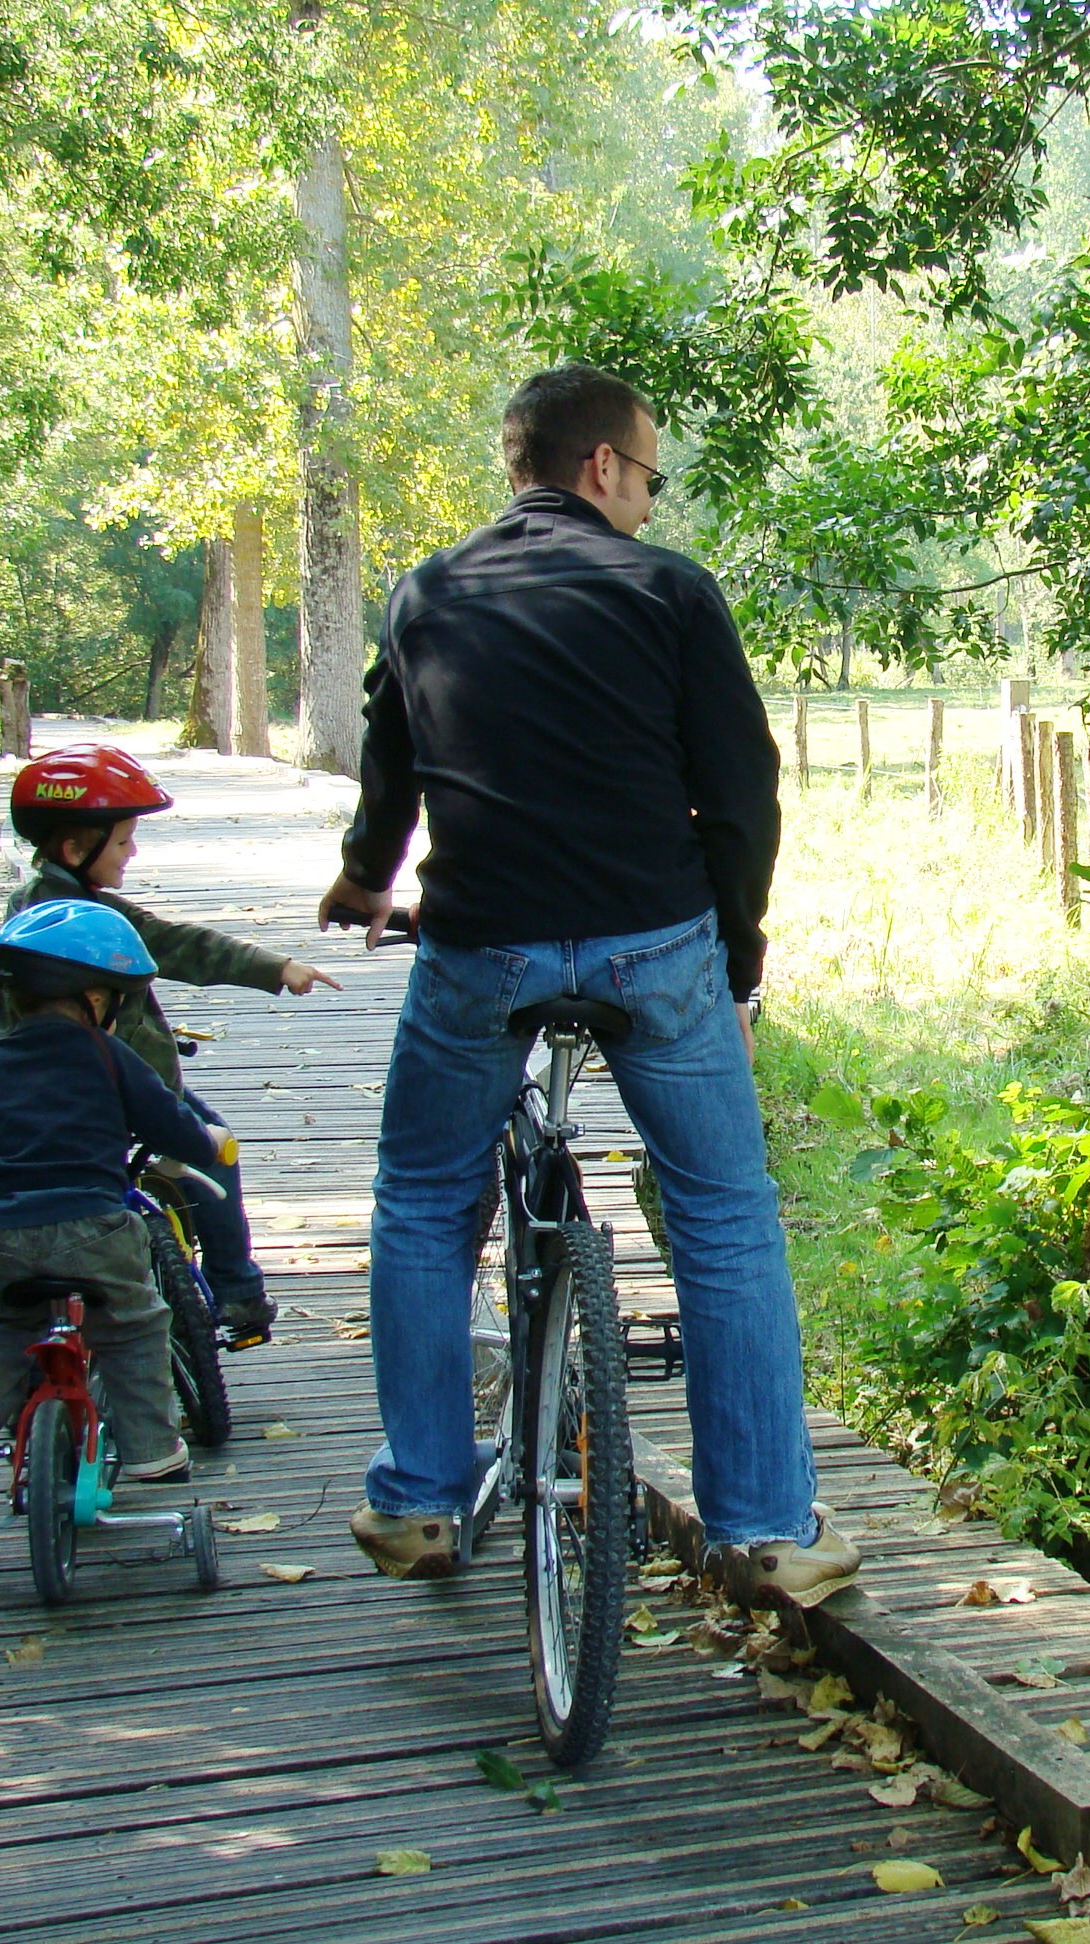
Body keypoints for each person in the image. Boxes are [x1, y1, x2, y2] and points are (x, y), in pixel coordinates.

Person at [319, 361, 858, 1605]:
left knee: (424, 1202)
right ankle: (768, 1529)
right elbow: (742, 794)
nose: (651, 504)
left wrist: (363, 879)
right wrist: (737, 963)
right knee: (724, 1211)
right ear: (602, 465)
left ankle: (420, 1500)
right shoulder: (669, 591)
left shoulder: (426, 592)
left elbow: (393, 770)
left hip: (480, 944)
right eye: (650, 478)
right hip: (655, 944)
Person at [0, 743, 339, 1348]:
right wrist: (276, 967)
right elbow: (180, 946)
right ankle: (237, 1290)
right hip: (120, 1089)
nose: (132, 852)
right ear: (76, 850)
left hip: (31, 1103)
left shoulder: (21, 918)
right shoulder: (96, 921)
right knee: (214, 1149)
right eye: (123, 841)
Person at [0, 901, 233, 1480]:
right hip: (94, 1230)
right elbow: (174, 1129)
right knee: (132, 1328)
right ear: (97, 998)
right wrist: (210, 1140)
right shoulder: (109, 1056)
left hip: (0, 1235)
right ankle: (152, 1451)